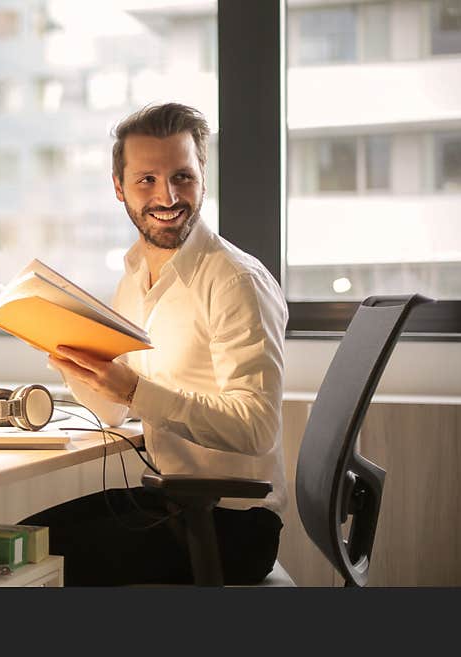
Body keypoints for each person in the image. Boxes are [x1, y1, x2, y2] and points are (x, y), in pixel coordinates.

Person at [20, 103, 288, 586]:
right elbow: (114, 413)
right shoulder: (135, 275)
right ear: (119, 188)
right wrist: (71, 360)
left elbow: (256, 428)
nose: (168, 195)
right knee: (15, 542)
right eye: (147, 180)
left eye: (182, 176)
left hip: (232, 526)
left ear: (203, 177)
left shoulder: (235, 280)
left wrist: (133, 390)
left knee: (24, 567)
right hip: (171, 502)